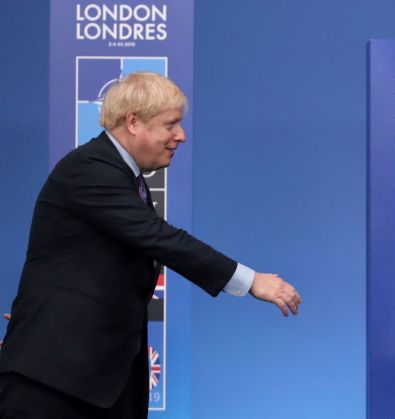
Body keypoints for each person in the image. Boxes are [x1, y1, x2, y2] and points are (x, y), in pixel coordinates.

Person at [0, 72, 302, 418]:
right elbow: (160, 238)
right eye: (170, 124)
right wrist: (249, 281)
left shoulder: (122, 176)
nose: (181, 135)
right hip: (53, 383)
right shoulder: (90, 169)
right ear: (132, 122)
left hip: (93, 379)